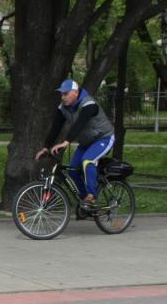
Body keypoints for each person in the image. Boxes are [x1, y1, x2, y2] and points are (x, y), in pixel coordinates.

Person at [36, 78, 115, 210]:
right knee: (72, 170)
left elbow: (80, 123)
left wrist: (66, 142)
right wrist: (45, 147)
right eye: (61, 94)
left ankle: (92, 196)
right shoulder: (64, 108)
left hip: (103, 138)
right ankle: (85, 201)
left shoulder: (89, 104)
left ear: (76, 92)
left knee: (87, 160)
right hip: (86, 142)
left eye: (66, 94)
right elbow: (56, 127)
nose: (63, 97)